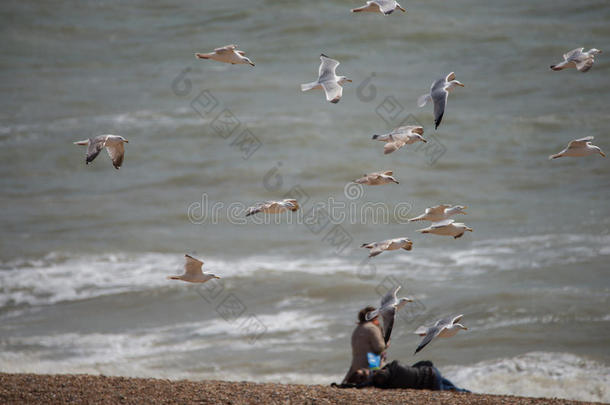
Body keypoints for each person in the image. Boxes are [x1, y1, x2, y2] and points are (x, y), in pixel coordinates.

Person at [342, 306, 389, 384]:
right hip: (369, 366)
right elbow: (379, 348)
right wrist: (386, 343)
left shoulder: (357, 329)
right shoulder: (372, 328)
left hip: (355, 367)